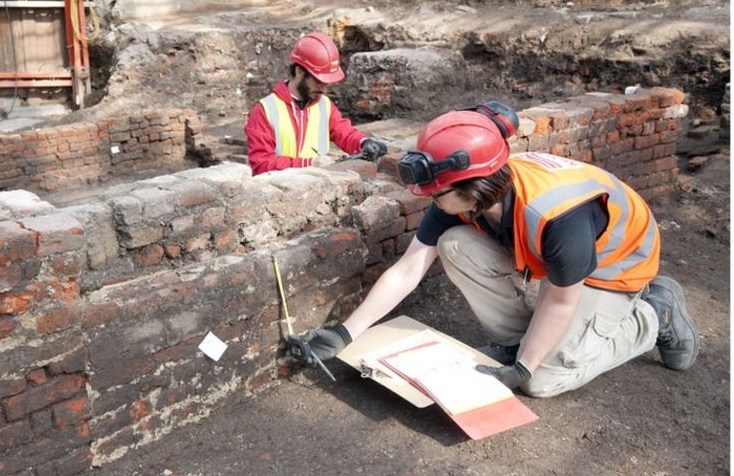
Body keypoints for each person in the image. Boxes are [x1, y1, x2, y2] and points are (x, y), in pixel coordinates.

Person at [300, 101, 700, 397]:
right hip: (562, 261)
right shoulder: (461, 195)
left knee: (543, 381)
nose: (431, 200)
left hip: (614, 264)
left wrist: (525, 369)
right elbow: (408, 270)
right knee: (453, 243)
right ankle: (519, 342)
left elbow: (561, 302)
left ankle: (655, 315)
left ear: (474, 189)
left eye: (438, 194)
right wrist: (345, 333)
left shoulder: (558, 218)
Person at [244, 32, 387, 176]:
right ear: (299, 71)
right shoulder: (265, 111)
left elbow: (343, 131)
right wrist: (308, 164)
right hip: (278, 193)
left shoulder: (324, 105)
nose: (324, 90)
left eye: (327, 84)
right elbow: (261, 164)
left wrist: (363, 142)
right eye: (318, 82)